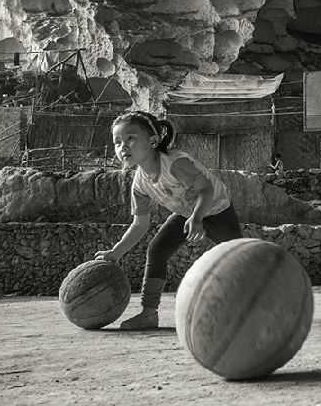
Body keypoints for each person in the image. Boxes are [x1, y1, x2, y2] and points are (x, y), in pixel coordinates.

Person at [95, 111, 244, 330]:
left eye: (131, 138)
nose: (123, 146)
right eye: (117, 142)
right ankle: (148, 313)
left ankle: (255, 305)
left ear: (153, 141)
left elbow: (206, 189)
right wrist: (115, 253)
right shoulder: (140, 184)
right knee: (157, 249)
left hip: (217, 208)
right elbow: (139, 225)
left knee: (243, 258)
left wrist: (197, 217)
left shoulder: (175, 163)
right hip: (187, 214)